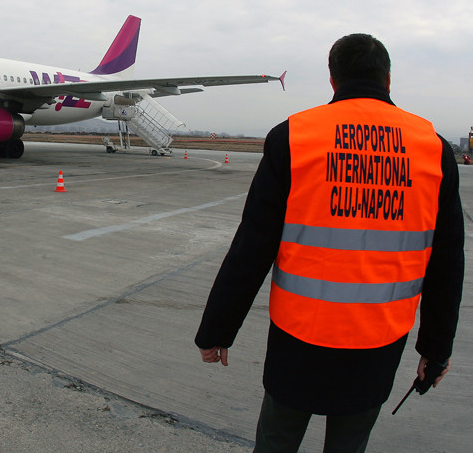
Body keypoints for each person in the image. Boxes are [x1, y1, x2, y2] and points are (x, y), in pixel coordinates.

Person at [195, 33, 464, 452]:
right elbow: (447, 261)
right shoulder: (433, 148)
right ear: (388, 80)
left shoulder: (295, 136)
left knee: (276, 440)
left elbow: (252, 246)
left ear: (333, 80)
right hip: (378, 340)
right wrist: (436, 349)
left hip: (299, 336)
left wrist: (217, 330)